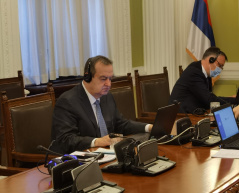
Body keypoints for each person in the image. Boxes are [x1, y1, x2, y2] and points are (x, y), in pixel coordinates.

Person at [51, 55, 153, 154]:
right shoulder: (67, 101)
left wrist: (149, 127)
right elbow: (65, 140)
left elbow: (121, 124)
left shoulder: (106, 97)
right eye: (103, 79)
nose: (108, 84)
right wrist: (97, 141)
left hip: (108, 155)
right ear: (87, 77)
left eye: (110, 78)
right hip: (82, 161)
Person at [169, 47, 236, 114]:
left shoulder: (207, 73)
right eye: (219, 65)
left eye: (222, 67)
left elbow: (209, 97)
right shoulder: (194, 72)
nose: (220, 69)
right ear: (211, 60)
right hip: (181, 115)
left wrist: (230, 98)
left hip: (195, 112)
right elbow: (209, 100)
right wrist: (235, 100)